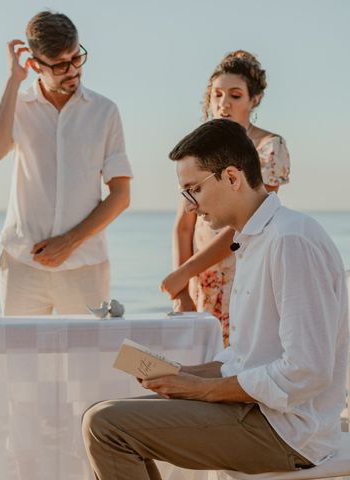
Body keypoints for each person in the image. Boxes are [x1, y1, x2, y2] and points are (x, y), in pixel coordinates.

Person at [82, 120, 348, 479]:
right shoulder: (255, 240)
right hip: (261, 415)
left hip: (288, 433)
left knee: (106, 426)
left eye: (194, 190)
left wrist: (205, 390)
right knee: (102, 413)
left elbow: (308, 370)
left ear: (233, 178)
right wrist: (181, 375)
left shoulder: (289, 240)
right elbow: (245, 357)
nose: (190, 206)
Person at [0, 11, 133, 315]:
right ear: (35, 64)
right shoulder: (19, 107)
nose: (73, 70)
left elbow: (121, 195)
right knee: (21, 360)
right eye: (61, 65)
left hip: (85, 267)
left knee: (87, 361)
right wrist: (14, 80)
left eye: (77, 58)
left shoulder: (105, 112)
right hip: (22, 264)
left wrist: (69, 242)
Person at [160, 51, 290, 345]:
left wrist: (184, 272)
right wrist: (181, 288)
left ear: (253, 100)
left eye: (235, 95)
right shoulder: (197, 150)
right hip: (198, 279)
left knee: (239, 359)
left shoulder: (269, 147)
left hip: (241, 272)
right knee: (197, 358)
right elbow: (184, 224)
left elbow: (247, 223)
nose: (223, 103)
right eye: (217, 95)